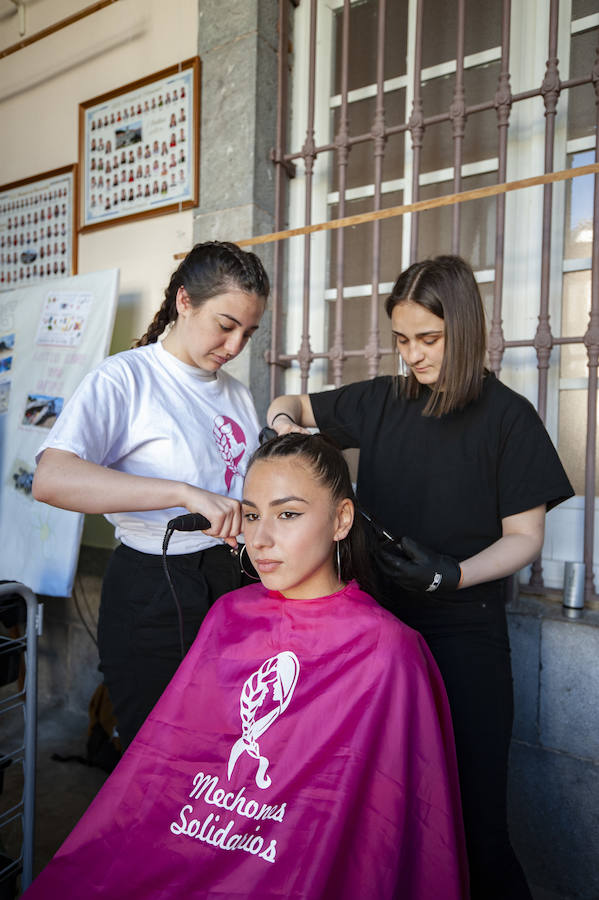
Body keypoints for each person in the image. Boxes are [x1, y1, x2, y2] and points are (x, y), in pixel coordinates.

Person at [23, 434, 469, 900]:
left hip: (294, 866)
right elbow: (171, 757)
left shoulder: (387, 649)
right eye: (252, 514)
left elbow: (392, 820)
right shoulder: (230, 613)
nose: (260, 538)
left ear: (341, 520)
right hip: (195, 838)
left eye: (288, 514)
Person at [265, 255, 574, 900]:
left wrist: (453, 576)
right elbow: (286, 403)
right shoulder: (381, 399)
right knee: (380, 809)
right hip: (376, 636)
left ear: (463, 329)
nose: (414, 356)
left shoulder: (508, 417)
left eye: (428, 340)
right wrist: (294, 440)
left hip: (466, 633)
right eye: (403, 340)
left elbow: (525, 538)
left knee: (476, 821)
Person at [32, 241, 270, 749]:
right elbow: (51, 478)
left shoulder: (236, 394)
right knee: (158, 753)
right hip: (154, 588)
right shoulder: (126, 379)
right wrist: (184, 493)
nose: (234, 346)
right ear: (185, 302)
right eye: (225, 325)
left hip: (230, 581)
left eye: (248, 333)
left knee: (227, 744)